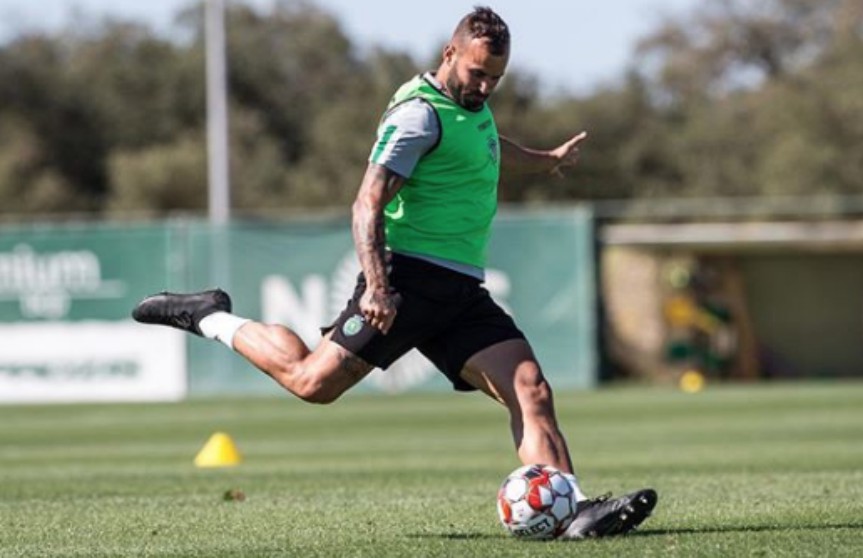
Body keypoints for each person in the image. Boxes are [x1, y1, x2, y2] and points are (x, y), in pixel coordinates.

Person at [133, 6, 656, 539]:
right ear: (449, 53)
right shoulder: (418, 115)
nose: (485, 87)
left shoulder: (471, 105)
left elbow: (488, 150)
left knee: (531, 389)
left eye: (495, 78)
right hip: (405, 281)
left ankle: (574, 511)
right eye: (478, 74)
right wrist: (379, 287)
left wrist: (544, 160)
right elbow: (366, 204)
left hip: (459, 291)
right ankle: (211, 317)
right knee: (311, 382)